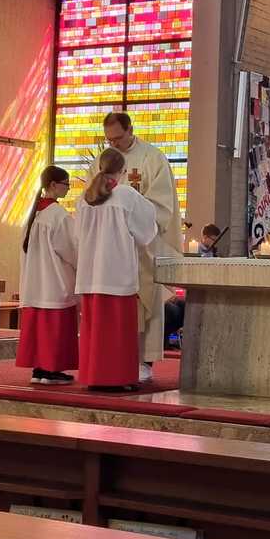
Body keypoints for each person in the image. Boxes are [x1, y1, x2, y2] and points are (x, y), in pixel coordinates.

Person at [86, 112, 182, 379]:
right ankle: (113, 359)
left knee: (144, 303)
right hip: (110, 250)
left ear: (130, 130)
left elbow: (162, 206)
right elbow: (90, 201)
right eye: (109, 140)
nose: (113, 144)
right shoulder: (102, 160)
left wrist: (131, 223)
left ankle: (143, 361)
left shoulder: (153, 158)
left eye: (117, 138)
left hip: (142, 248)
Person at [75, 147, 157, 390]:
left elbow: (77, 236)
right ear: (122, 170)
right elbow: (146, 231)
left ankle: (94, 377)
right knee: (117, 332)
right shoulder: (126, 195)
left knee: (95, 331)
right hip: (116, 273)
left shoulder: (85, 198)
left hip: (91, 274)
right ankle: (116, 379)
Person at [16, 165, 78, 384]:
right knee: (53, 329)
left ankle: (39, 370)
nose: (68, 189)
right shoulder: (57, 215)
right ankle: (51, 370)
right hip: (54, 281)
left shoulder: (34, 213)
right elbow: (72, 249)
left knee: (39, 329)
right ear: (53, 185)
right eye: (66, 184)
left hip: (35, 282)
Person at [164, 223, 221, 347]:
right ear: (205, 237)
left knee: (185, 307)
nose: (215, 243)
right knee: (178, 309)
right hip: (188, 290)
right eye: (213, 239)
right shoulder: (195, 251)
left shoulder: (214, 252)